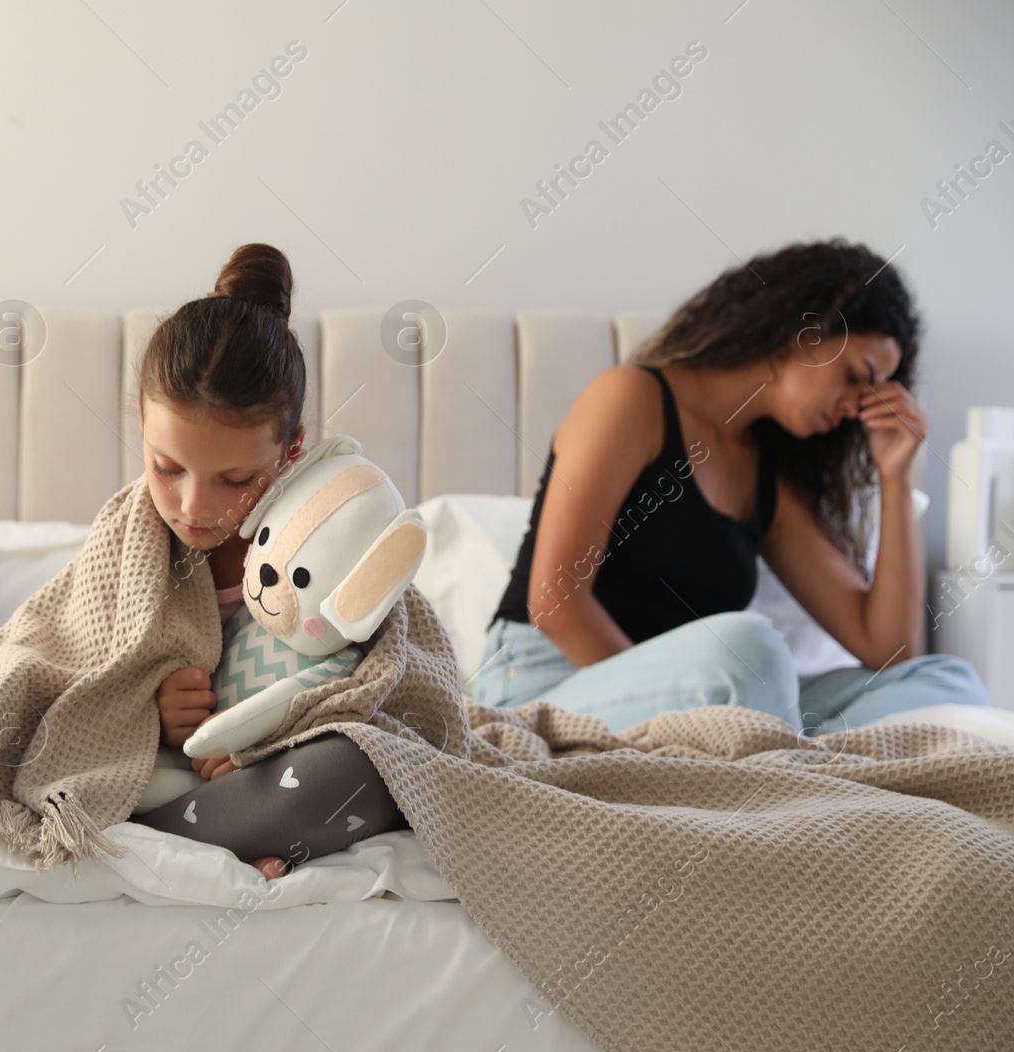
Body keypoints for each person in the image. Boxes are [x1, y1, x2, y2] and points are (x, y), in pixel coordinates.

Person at [478, 238, 987, 735]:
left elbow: (889, 651)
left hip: (711, 696)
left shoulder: (768, 475)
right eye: (856, 375)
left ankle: (779, 758)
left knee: (945, 680)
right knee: (749, 652)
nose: (858, 405)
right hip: (550, 682)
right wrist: (679, 705)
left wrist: (894, 478)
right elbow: (555, 603)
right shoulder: (631, 398)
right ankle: (781, 756)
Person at [126, 243, 408, 880]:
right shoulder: (128, 544)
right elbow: (74, 672)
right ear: (143, 424)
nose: (194, 507)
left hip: (286, 766)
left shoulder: (330, 522)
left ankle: (154, 840)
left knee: (363, 770)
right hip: (174, 770)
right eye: (166, 468)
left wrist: (277, 742)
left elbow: (392, 682)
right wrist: (150, 708)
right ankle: (195, 831)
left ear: (292, 449)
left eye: (235, 479)